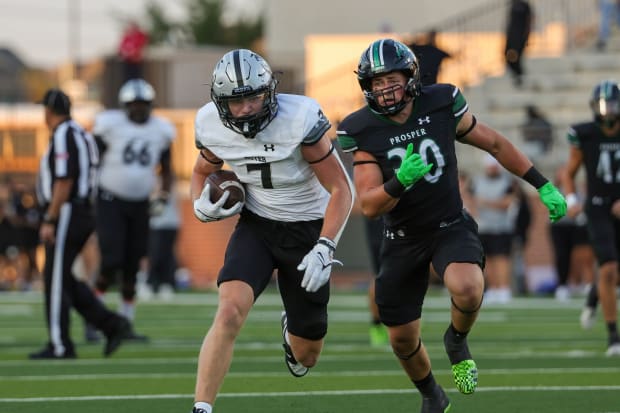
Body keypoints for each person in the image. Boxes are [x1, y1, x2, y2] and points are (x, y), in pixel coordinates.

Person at [336, 38, 566, 412]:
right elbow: (370, 204)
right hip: (402, 237)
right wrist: (400, 181)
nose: (384, 88)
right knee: (402, 341)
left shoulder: (440, 103)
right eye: (375, 82)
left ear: (410, 76)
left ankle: (456, 340)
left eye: (390, 78)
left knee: (468, 287)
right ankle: (432, 393)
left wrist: (542, 183)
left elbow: (494, 143)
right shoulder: (361, 129)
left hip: (448, 224)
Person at [188, 49, 354, 413]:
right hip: (257, 226)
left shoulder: (299, 119)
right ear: (221, 103)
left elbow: (343, 189)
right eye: (236, 101)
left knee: (306, 356)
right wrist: (199, 203)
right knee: (230, 311)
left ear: (269, 92)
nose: (246, 108)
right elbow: (202, 171)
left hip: (308, 231)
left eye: (253, 97)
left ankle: (290, 331)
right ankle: (201, 407)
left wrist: (326, 246)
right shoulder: (211, 125)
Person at [29, 88, 131, 359]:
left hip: (67, 212)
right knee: (64, 280)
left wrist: (50, 217)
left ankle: (60, 344)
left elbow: (64, 180)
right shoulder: (78, 133)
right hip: (79, 211)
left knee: (54, 279)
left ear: (49, 111)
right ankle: (112, 324)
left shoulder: (64, 134)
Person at [91, 78, 175, 339]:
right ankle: (95, 319)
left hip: (140, 204)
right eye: (133, 104)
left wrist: (163, 194)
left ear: (151, 105)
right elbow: (93, 159)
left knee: (132, 265)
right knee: (111, 260)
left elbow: (167, 169)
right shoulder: (109, 125)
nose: (138, 109)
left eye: (143, 104)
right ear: (124, 106)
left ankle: (124, 323)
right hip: (109, 199)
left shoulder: (161, 130)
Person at [561, 79, 620, 356]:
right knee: (608, 267)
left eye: (611, 104)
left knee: (613, 272)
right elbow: (569, 172)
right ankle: (613, 337)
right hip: (597, 207)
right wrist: (572, 200)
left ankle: (595, 295)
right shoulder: (585, 134)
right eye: (602, 105)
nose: (606, 110)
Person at [471, 154, 518, 304]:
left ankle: (504, 289)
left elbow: (507, 203)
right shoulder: (477, 181)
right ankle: (493, 288)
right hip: (483, 227)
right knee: (488, 259)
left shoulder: (507, 181)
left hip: (501, 227)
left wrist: (486, 203)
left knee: (502, 258)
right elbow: (471, 200)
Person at [147, 179, 181, 300]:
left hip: (170, 224)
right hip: (156, 225)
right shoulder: (151, 179)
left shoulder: (168, 181)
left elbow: (161, 203)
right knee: (155, 255)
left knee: (166, 254)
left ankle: (166, 284)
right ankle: (151, 283)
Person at [364, 216, 390, 346]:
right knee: (380, 275)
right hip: (381, 223)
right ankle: (377, 325)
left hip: (401, 222)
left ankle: (407, 316)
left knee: (407, 274)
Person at [504, 0, 533, 87]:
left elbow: (529, 21)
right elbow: (510, 21)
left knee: (517, 57)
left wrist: (526, 37)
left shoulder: (525, 6)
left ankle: (520, 76)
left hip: (520, 37)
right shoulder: (513, 5)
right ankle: (518, 75)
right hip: (511, 36)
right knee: (507, 55)